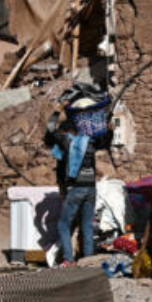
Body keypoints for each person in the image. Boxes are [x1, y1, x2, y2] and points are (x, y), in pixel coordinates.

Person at [46, 110, 98, 266]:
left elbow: (50, 127)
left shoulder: (68, 143)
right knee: (87, 225)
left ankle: (69, 259)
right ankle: (89, 260)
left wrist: (56, 110)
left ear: (68, 132)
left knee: (63, 224)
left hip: (76, 188)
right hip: (92, 188)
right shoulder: (90, 143)